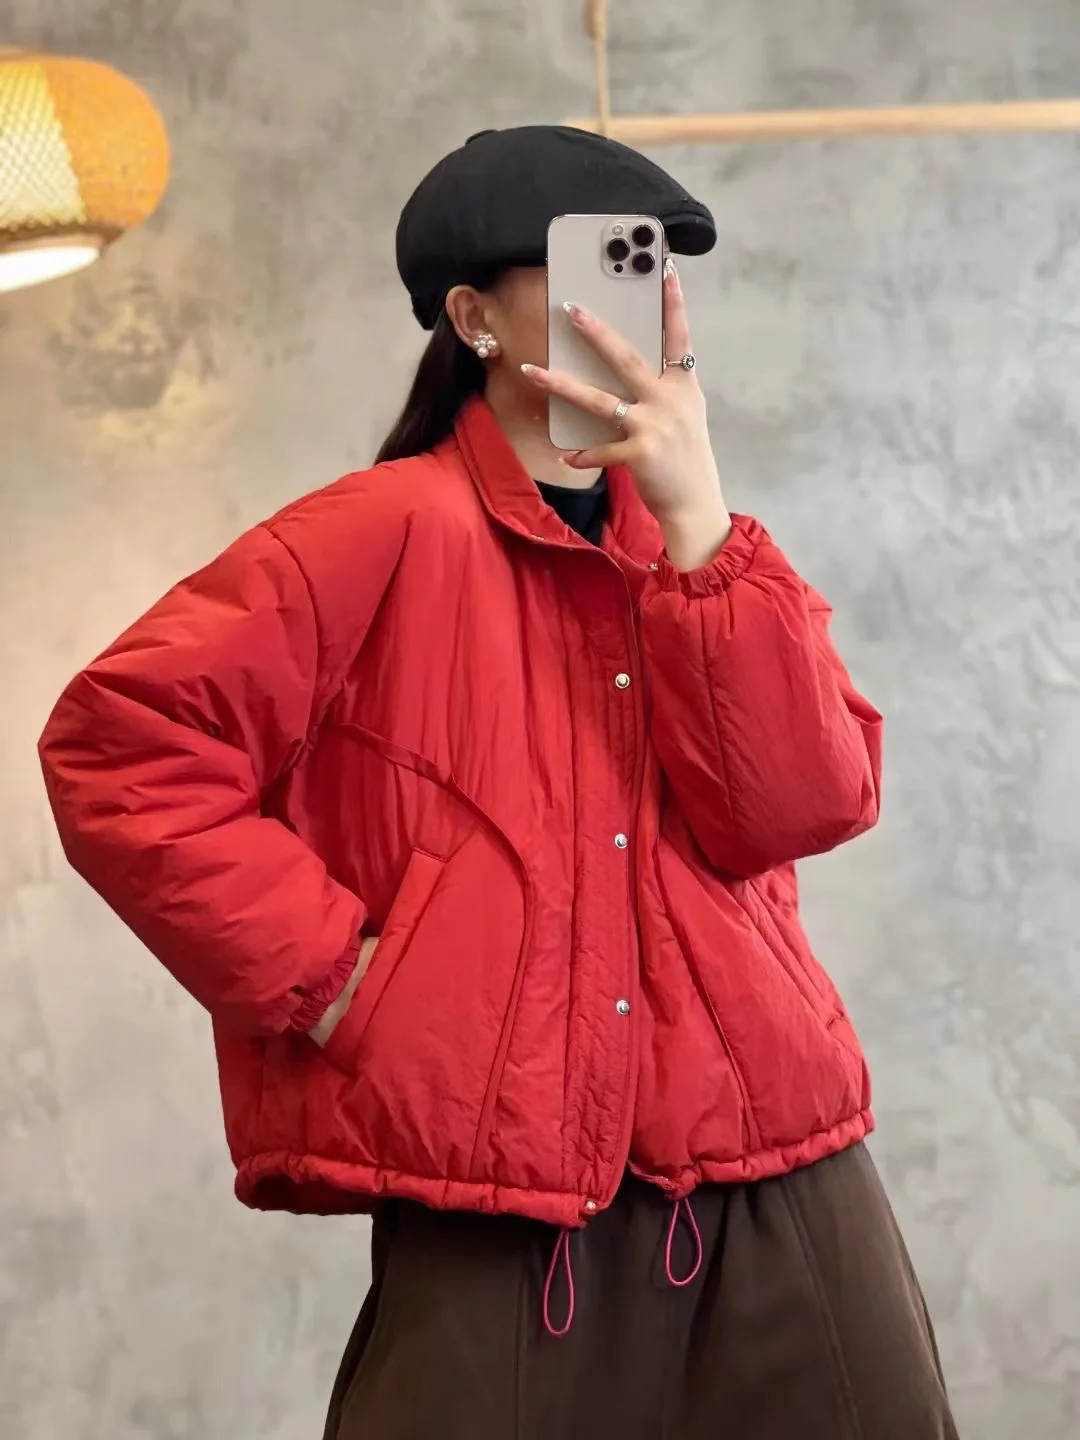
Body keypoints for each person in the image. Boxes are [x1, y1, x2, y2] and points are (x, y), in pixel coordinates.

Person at [38, 126, 957, 1439]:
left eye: (653, 269)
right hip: (502, 1211)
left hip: (784, 1181)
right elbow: (120, 744)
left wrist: (699, 525)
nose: (638, 302)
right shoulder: (381, 528)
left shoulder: (699, 549)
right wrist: (337, 978)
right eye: (594, 266)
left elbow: (805, 805)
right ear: (472, 316)